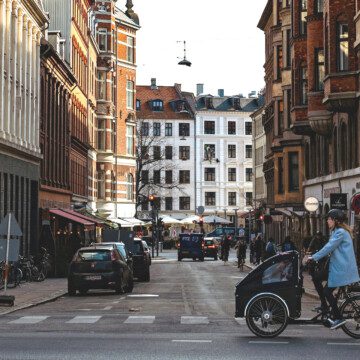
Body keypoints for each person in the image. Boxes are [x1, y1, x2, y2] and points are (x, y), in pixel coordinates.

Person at [307, 209, 360, 330]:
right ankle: (324, 306)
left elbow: (329, 247)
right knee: (316, 277)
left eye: (329, 219)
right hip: (336, 267)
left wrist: (313, 257)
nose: (327, 221)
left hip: (341, 269)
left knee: (327, 291)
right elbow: (329, 248)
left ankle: (338, 317)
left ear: (335, 221)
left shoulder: (340, 232)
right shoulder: (336, 231)